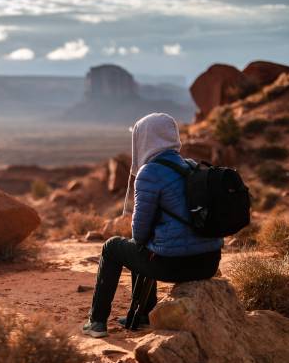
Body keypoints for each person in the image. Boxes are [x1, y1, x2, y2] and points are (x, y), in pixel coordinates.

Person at [82, 113, 223, 338]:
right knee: (144, 246)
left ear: (144, 138)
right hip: (209, 261)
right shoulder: (192, 167)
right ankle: (143, 315)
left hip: (175, 265)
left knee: (113, 247)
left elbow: (139, 234)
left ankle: (97, 322)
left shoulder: (150, 173)